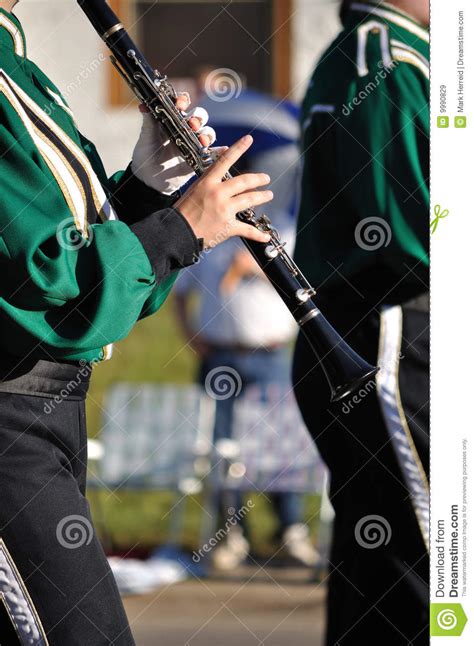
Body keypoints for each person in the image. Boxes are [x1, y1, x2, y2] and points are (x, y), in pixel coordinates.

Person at [0, 1, 274, 643]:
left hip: (46, 411)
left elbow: (65, 252)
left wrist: (151, 193)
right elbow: (47, 286)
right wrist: (179, 229)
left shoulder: (17, 61)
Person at [292, 1, 429, 644]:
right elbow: (413, 228)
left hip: (386, 333)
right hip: (393, 334)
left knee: (379, 566)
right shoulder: (387, 58)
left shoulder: (393, 53)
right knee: (433, 567)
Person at [174, 84, 319, 570]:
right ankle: (230, 532)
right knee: (223, 449)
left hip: (270, 352)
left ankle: (291, 531)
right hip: (219, 352)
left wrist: (252, 267)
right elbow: (182, 289)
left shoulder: (288, 229)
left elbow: (302, 284)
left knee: (278, 446)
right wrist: (190, 337)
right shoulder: (207, 228)